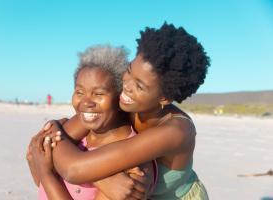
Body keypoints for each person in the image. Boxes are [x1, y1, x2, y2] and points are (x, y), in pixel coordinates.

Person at [30, 22, 210, 199]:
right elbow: (51, 141)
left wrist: (91, 172)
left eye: (139, 86)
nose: (127, 86)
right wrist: (53, 127)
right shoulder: (126, 102)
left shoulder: (176, 131)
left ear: (164, 98)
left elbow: (73, 169)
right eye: (129, 71)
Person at [27, 45, 157, 200]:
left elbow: (43, 165)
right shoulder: (75, 133)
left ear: (120, 98)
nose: (86, 102)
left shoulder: (132, 164)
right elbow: (38, 173)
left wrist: (46, 172)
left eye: (98, 93)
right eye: (79, 92)